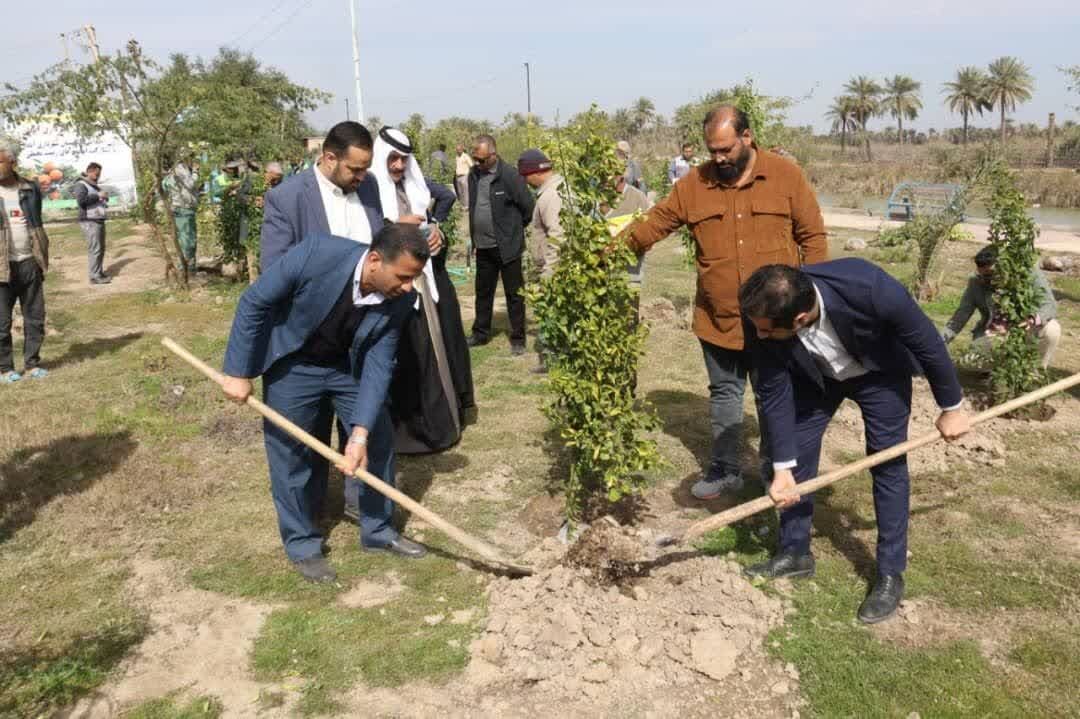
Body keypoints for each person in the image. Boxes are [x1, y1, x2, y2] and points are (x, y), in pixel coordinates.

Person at [740, 260, 971, 623]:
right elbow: (772, 390)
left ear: (800, 318)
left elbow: (925, 342)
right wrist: (782, 468)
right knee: (796, 454)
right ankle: (795, 553)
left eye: (767, 331)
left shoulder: (870, 288)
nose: (760, 334)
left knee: (887, 462)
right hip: (815, 377)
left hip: (880, 374)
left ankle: (890, 573)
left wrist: (952, 406)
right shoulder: (762, 314)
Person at [621, 105, 828, 500]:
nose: (717, 158)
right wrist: (603, 254)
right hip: (719, 318)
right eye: (711, 151)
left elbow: (813, 237)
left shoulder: (785, 176)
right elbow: (654, 224)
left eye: (725, 149)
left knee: (774, 393)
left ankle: (775, 469)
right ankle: (725, 469)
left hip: (776, 321)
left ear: (747, 137)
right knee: (725, 393)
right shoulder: (693, 185)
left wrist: (813, 300)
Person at [221, 224, 431, 582]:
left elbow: (380, 363)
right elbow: (254, 302)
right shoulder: (317, 253)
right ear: (375, 260)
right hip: (295, 361)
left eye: (414, 278)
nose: (409, 286)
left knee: (377, 441)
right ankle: (303, 543)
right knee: (292, 452)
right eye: (403, 276)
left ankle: (378, 530)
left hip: (350, 366)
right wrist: (237, 371)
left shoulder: (401, 299)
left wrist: (360, 434)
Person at [259, 121, 389, 522]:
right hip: (304, 345)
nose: (362, 176)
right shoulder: (287, 199)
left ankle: (373, 521)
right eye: (355, 169)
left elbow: (378, 250)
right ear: (329, 158)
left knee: (370, 434)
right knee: (299, 445)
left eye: (366, 168)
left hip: (359, 343)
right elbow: (275, 272)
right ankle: (305, 535)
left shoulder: (368, 189)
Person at [370, 126, 476, 454]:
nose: (399, 166)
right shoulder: (368, 193)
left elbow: (430, 218)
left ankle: (443, 420)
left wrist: (436, 235)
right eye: (393, 159)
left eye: (404, 159)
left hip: (427, 283)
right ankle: (406, 434)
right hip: (389, 290)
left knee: (438, 348)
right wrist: (394, 228)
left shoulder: (414, 186)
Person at [467, 134, 535, 355]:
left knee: (514, 294)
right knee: (483, 292)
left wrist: (512, 232)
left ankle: (517, 339)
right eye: (475, 159)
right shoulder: (473, 175)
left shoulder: (510, 176)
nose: (478, 164)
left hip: (507, 246)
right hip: (483, 246)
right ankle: (480, 333)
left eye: (482, 160)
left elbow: (527, 207)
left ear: (493, 155)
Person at [942, 245, 1060, 369]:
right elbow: (959, 317)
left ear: (1005, 266)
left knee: (1052, 329)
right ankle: (1003, 366)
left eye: (990, 274)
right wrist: (938, 344)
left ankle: (1034, 370)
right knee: (970, 363)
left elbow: (1049, 304)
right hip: (994, 334)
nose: (985, 279)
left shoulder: (1028, 273)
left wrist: (1031, 319)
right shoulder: (976, 282)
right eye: (981, 274)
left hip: (1025, 329)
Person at [0, 142, 50, 383]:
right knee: (2, 322)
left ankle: (32, 364)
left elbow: (36, 222)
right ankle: (6, 369)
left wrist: (41, 254)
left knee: (35, 316)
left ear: (12, 163)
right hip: (2, 266)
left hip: (30, 261)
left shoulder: (30, 188)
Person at [73, 162, 110, 285]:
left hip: (98, 219)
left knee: (100, 249)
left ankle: (98, 272)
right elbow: (82, 201)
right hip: (89, 221)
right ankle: (94, 277)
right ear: (89, 171)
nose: (98, 176)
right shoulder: (80, 184)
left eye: (99, 174)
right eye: (96, 174)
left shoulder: (93, 185)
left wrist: (103, 197)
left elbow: (96, 198)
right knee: (95, 249)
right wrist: (98, 195)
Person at [163, 157, 201, 272]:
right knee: (189, 241)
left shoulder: (172, 171)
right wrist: (195, 172)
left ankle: (185, 267)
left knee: (183, 239)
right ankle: (188, 269)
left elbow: (163, 186)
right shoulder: (182, 169)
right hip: (185, 208)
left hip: (178, 208)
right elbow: (190, 185)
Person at [454, 143, 473, 218]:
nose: (457, 151)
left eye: (459, 150)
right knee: (460, 192)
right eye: (457, 150)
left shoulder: (466, 156)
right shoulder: (457, 157)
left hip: (464, 176)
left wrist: (469, 175)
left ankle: (466, 206)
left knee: (465, 192)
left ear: (462, 149)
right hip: (458, 176)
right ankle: (462, 206)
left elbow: (471, 165)